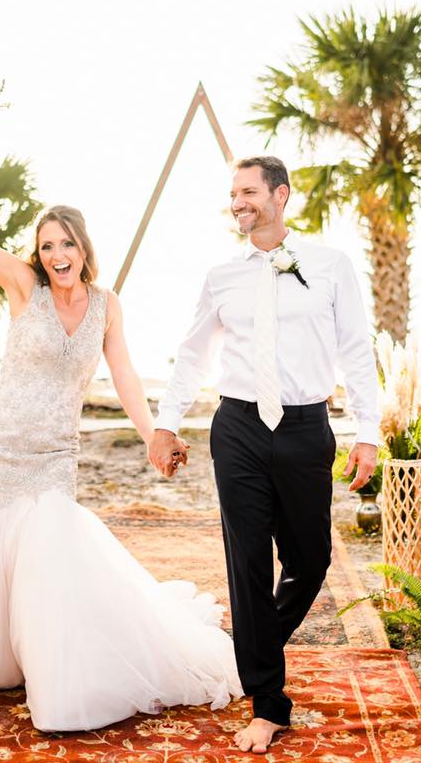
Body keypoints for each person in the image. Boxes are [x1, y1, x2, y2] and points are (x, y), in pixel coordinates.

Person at [0, 154, 240, 731]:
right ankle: (8, 658)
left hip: (53, 458)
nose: (57, 256)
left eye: (65, 244)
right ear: (36, 255)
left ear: (84, 249)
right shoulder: (23, 286)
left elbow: (125, 378)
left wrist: (153, 436)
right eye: (46, 247)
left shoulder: (107, 306)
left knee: (51, 561)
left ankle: (63, 680)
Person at [151, 155, 381, 755]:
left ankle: (250, 650)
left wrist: (368, 431)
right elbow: (192, 353)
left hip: (307, 428)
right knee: (247, 562)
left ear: (282, 196)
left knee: (312, 558)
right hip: (239, 429)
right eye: (233, 194)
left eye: (249, 191)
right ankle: (267, 701)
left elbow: (358, 350)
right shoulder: (221, 275)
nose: (238, 202)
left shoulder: (331, 266)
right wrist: (165, 423)